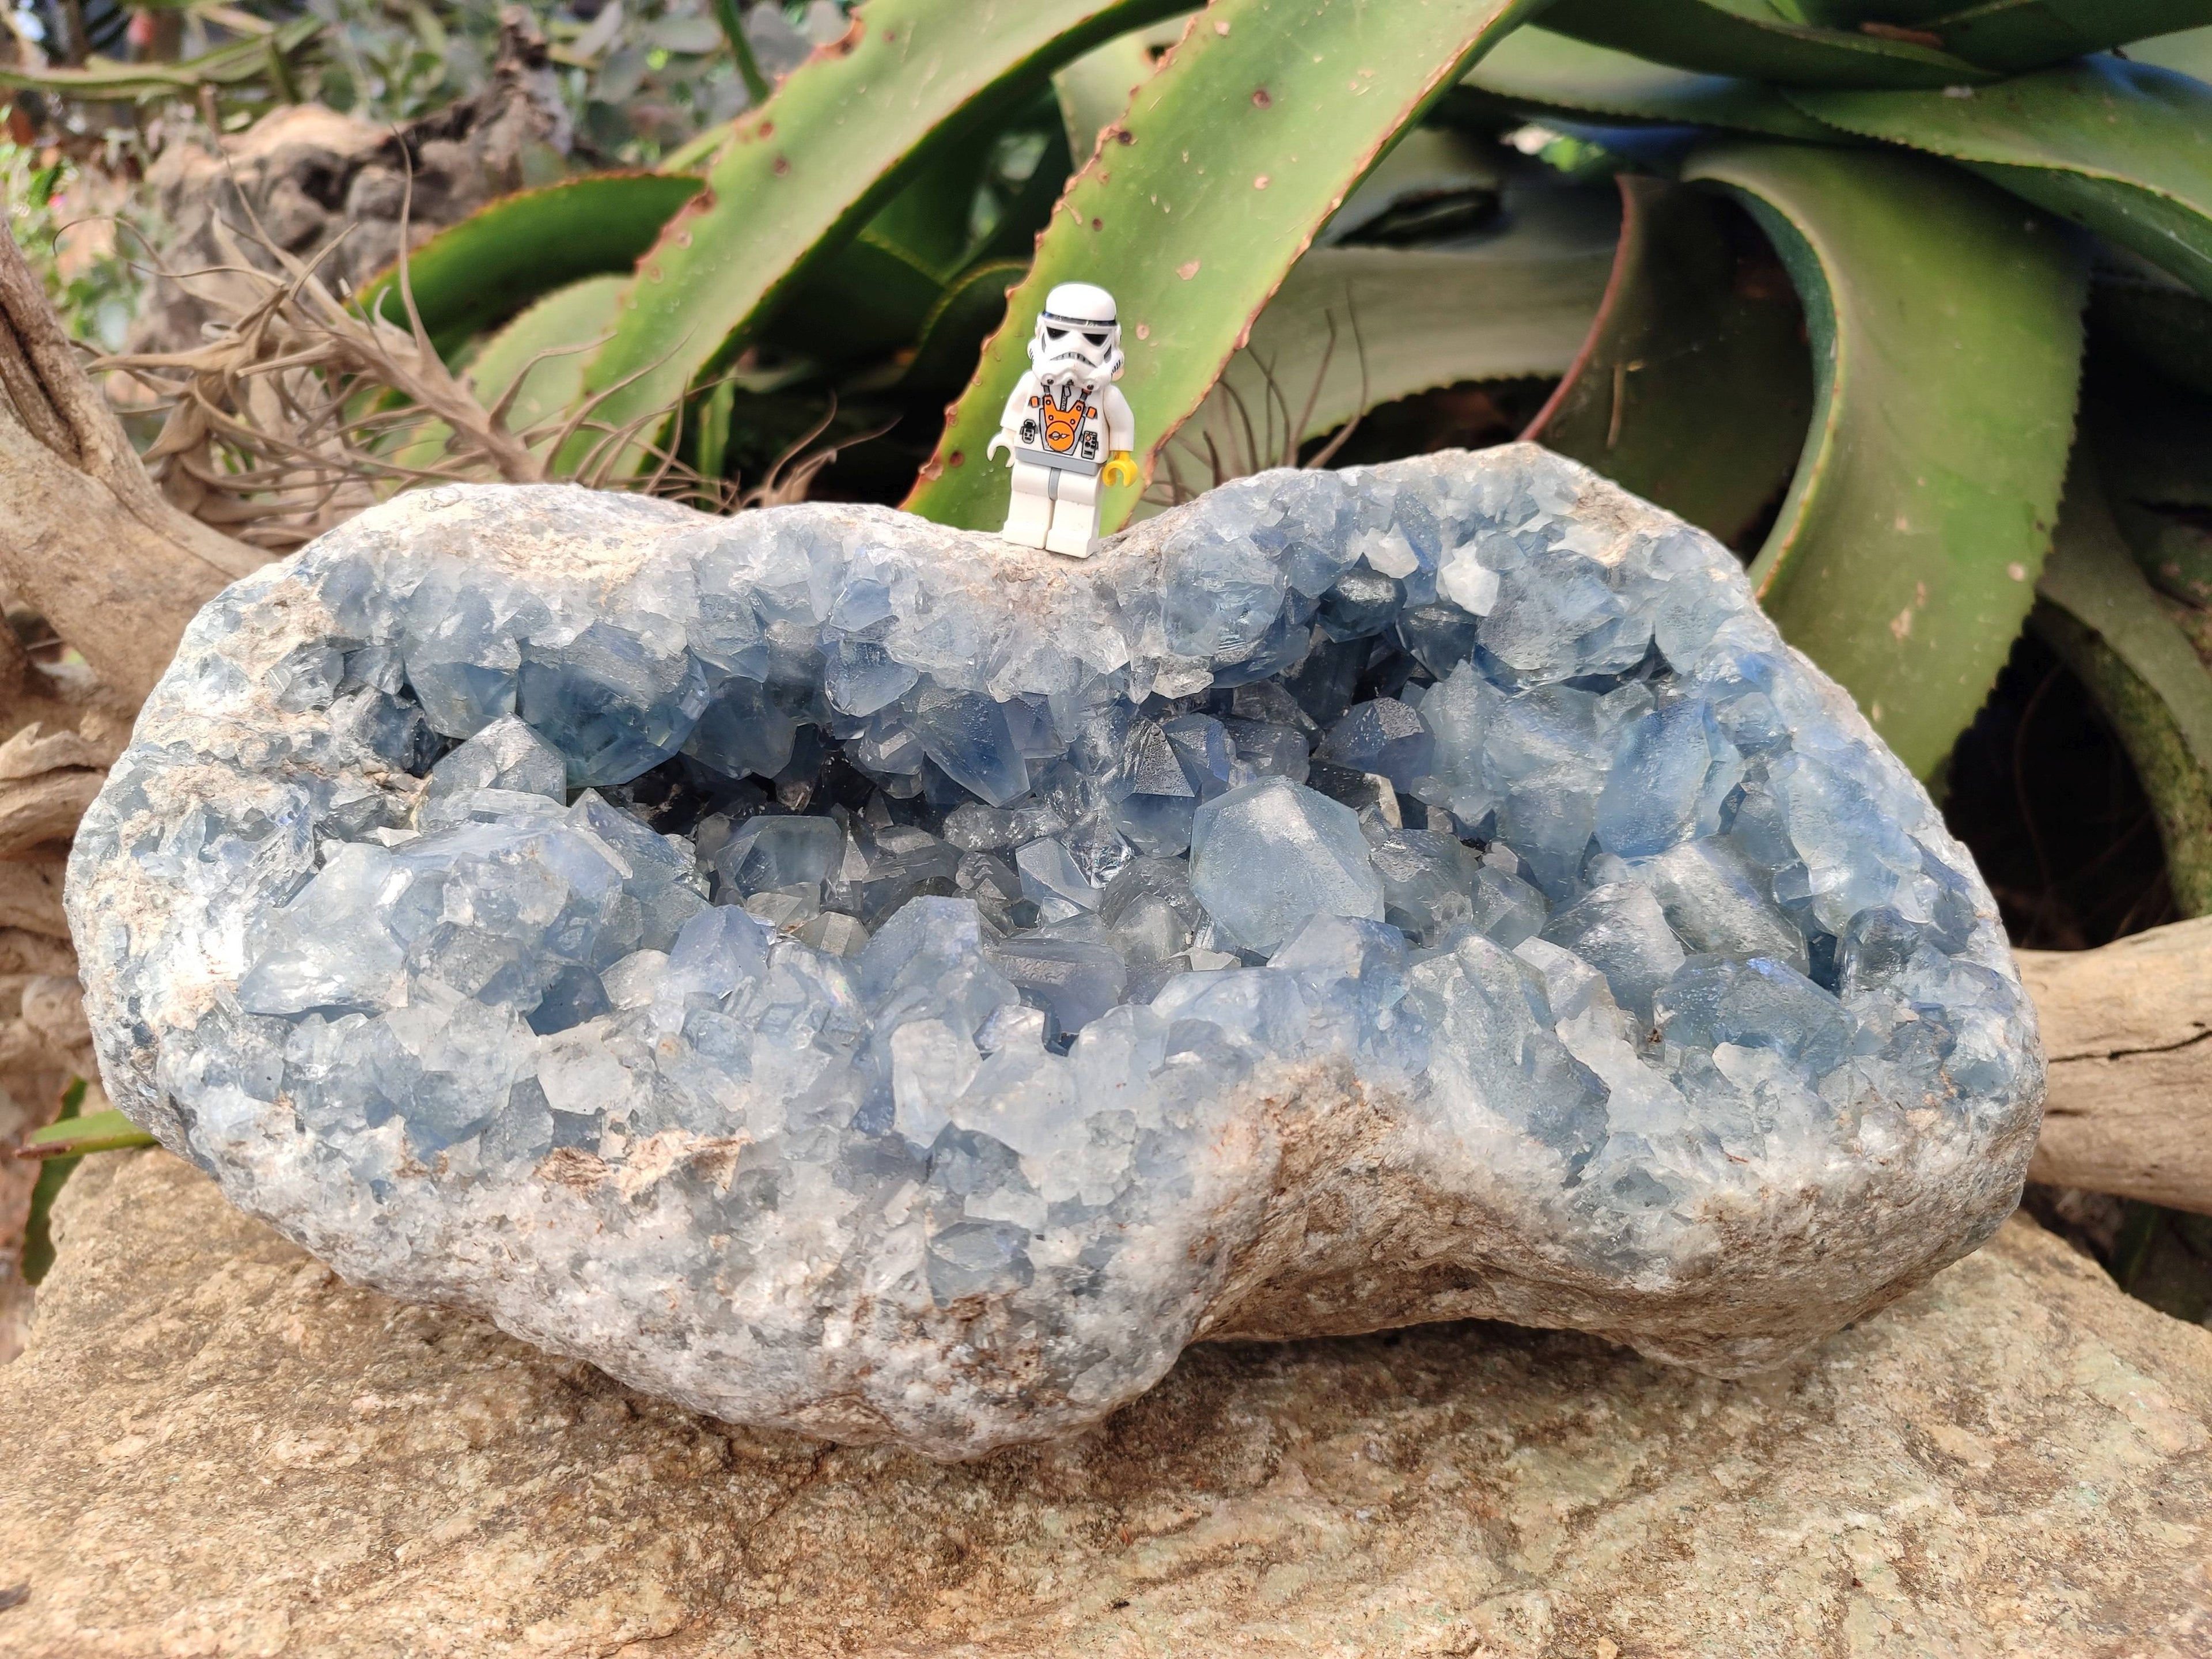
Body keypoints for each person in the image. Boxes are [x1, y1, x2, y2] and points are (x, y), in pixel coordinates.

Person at [987, 281, 1137, 558]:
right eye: (1058, 333)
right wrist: (1008, 435)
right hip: (1033, 456)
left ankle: (1074, 537)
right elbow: (1017, 409)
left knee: (1079, 499)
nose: (1074, 349)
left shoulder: (1107, 396)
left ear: (1113, 340)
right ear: (1040, 331)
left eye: (1092, 338)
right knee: (1027, 489)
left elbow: (1122, 423)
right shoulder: (1031, 383)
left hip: (1083, 463)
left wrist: (1122, 456)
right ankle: (1025, 529)